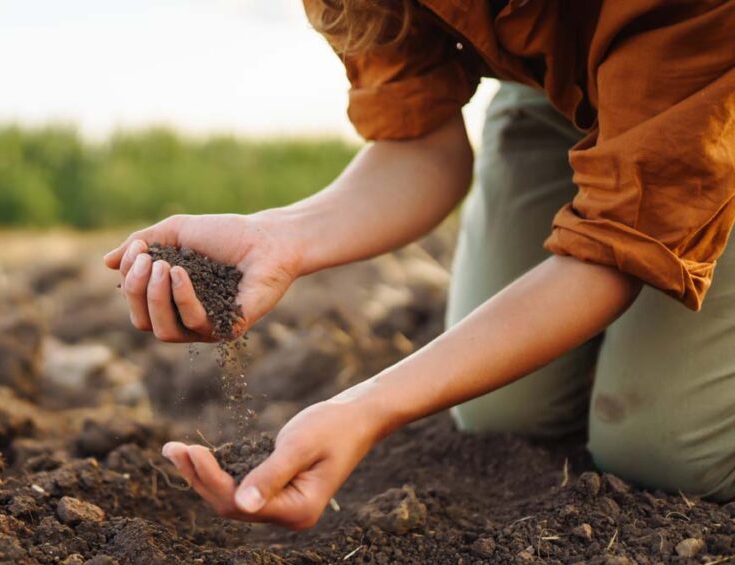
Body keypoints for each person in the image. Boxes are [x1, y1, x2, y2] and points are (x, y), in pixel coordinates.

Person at [104, 0, 735, 530]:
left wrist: (369, 407)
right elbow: (418, 148)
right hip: (556, 84)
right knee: (503, 414)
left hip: (710, 82)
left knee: (668, 456)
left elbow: (613, 249)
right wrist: (279, 236)